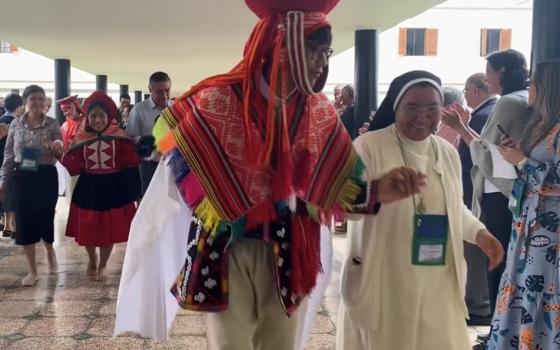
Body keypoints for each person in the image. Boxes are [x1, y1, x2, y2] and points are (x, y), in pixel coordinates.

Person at [114, 1, 426, 349]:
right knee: (230, 345)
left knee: (280, 344)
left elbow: (334, 186)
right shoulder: (216, 98)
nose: (324, 61)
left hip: (290, 249)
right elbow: (164, 138)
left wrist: (379, 190)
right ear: (283, 45)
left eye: (327, 51)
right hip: (224, 247)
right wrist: (181, 156)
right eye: (316, 50)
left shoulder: (319, 112)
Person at [336, 70, 504, 350]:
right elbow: (340, 204)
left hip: (436, 278)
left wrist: (480, 234)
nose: (422, 116)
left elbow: (454, 206)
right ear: (396, 106)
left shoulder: (446, 151)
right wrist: (377, 191)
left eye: (431, 108)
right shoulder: (369, 146)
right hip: (385, 279)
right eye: (412, 107)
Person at [441, 50, 530, 332]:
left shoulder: (508, 102)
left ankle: (496, 331)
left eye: (489, 71)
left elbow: (486, 154)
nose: (486, 77)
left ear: (501, 72)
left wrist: (460, 128)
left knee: (498, 261)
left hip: (497, 193)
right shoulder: (524, 100)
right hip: (516, 193)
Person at [484, 59, 560, 349]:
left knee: (541, 285)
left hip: (549, 233)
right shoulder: (542, 125)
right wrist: (518, 154)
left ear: (546, 87)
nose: (529, 89)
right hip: (527, 223)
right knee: (521, 281)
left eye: (533, 83)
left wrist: (524, 161)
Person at [61, 91, 141, 281]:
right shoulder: (80, 139)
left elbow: (131, 163)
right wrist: (61, 156)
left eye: (101, 116)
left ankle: (103, 265)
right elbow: (74, 168)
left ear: (109, 117)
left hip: (114, 186)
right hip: (89, 186)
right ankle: (92, 259)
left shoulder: (120, 137)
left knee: (109, 229)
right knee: (88, 227)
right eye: (94, 116)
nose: (97, 120)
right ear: (88, 117)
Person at [0, 85, 62, 286]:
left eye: (41, 99)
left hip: (45, 175)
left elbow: (61, 146)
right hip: (22, 176)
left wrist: (56, 147)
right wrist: (3, 181)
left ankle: (50, 249)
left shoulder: (53, 124)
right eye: (33, 98)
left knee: (45, 216)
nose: (37, 102)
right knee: (24, 221)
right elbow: (9, 154)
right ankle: (32, 270)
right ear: (25, 102)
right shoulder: (16, 125)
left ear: (45, 102)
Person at [457, 73, 498, 326]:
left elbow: (479, 156)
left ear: (474, 90)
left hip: (478, 193)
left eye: (465, 90)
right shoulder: (487, 113)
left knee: (475, 252)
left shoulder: (484, 116)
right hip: (481, 194)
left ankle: (480, 306)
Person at [126, 72, 171, 194]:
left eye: (167, 90)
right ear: (150, 89)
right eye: (159, 91)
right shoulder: (139, 109)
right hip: (149, 165)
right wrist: (151, 144)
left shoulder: (175, 108)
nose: (164, 95)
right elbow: (130, 137)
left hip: (172, 164)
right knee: (149, 200)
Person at [0, 93, 24, 240]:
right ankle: (13, 227)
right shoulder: (19, 124)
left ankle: (6, 224)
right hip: (14, 165)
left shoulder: (1, 121)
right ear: (20, 107)